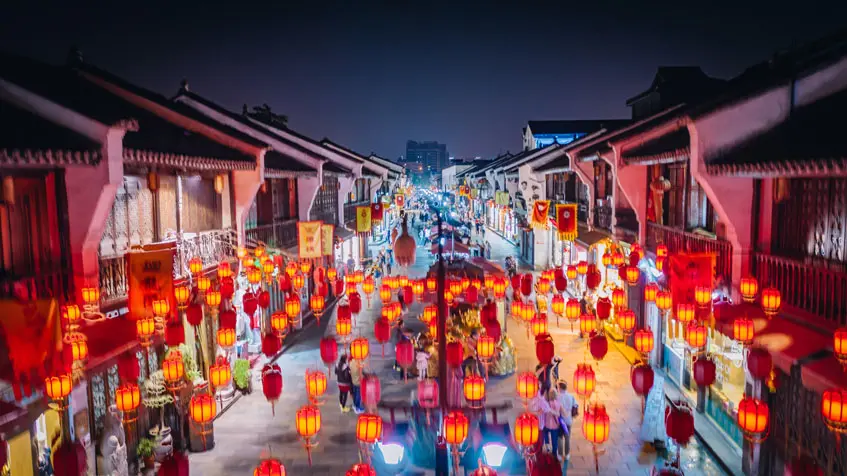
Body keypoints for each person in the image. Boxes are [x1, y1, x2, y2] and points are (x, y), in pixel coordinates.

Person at [557, 381, 578, 460]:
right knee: (567, 437)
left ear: (560, 388)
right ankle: (567, 454)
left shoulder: (558, 397)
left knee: (559, 437)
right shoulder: (571, 396)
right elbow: (575, 405)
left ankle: (559, 454)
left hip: (560, 420)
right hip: (568, 420)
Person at [543, 389, 564, 458]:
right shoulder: (559, 403)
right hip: (555, 425)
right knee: (554, 439)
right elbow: (561, 413)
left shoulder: (546, 403)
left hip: (547, 424)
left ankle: (547, 446)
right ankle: (554, 452)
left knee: (545, 434)